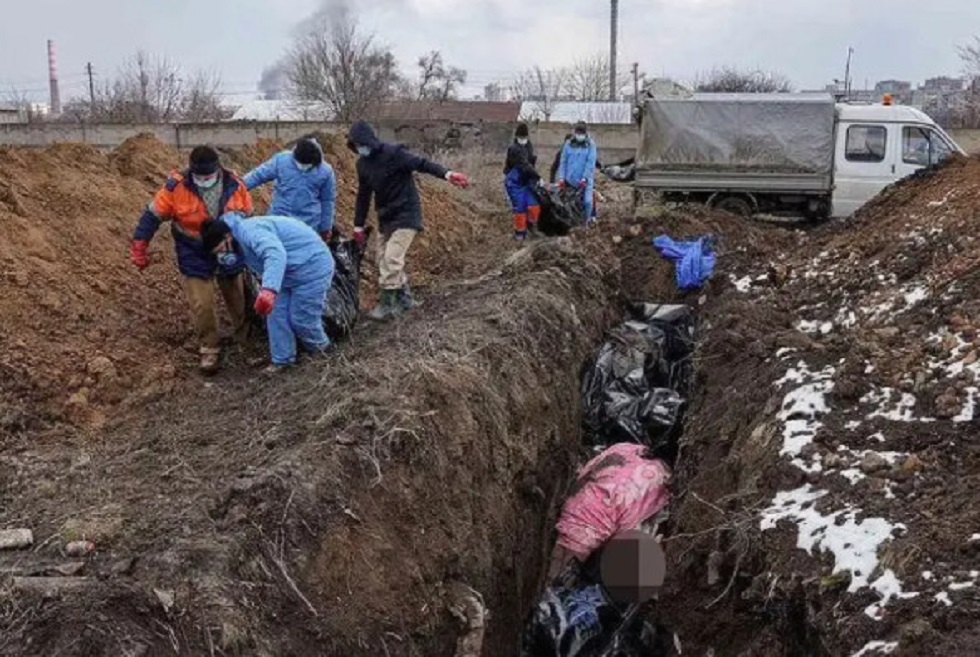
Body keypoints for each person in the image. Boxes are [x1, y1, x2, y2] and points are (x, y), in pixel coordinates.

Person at [130, 146, 252, 375]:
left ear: (218, 169)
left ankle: (246, 338)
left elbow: (248, 213)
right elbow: (152, 216)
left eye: (208, 176)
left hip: (227, 245)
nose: (204, 180)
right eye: (199, 177)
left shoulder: (235, 183)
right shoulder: (176, 187)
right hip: (193, 248)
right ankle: (209, 347)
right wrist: (140, 245)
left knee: (237, 295)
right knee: (201, 302)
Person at [346, 120, 470, 320]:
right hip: (386, 216)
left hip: (406, 213)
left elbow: (422, 164)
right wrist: (358, 226)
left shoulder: (394, 154)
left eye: (363, 143)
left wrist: (448, 174)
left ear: (371, 141)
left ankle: (387, 305)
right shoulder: (363, 165)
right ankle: (405, 300)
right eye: (356, 145)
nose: (361, 148)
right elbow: (363, 195)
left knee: (392, 259)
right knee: (382, 260)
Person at [201, 213, 335, 373]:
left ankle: (323, 353)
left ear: (228, 236)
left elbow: (275, 254)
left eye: (222, 248)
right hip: (287, 273)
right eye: (217, 253)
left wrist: (269, 290)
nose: (222, 254)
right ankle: (283, 360)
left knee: (302, 318)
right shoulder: (238, 242)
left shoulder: (250, 231)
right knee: (275, 315)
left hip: (312, 266)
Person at [243, 138, 337, 241]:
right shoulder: (282, 160)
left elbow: (327, 201)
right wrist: (238, 186)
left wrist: (326, 227)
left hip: (307, 225)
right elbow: (259, 175)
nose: (303, 167)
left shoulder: (326, 172)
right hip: (279, 219)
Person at [504, 122, 542, 241]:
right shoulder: (514, 149)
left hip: (526, 179)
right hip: (514, 182)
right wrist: (538, 177)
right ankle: (520, 233)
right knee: (520, 207)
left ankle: (532, 226)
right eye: (521, 137)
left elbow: (530, 163)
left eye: (525, 137)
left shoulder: (528, 146)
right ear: (516, 137)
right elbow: (524, 165)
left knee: (534, 204)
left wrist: (533, 178)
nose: (523, 139)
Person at [558, 121, 599, 225]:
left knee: (587, 202)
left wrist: (585, 178)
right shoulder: (568, 144)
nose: (579, 136)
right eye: (578, 133)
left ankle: (587, 222)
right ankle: (572, 222)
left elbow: (590, 162)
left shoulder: (590, 145)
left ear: (585, 134)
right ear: (575, 133)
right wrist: (561, 178)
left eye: (581, 134)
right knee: (569, 203)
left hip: (585, 180)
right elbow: (563, 161)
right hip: (570, 179)